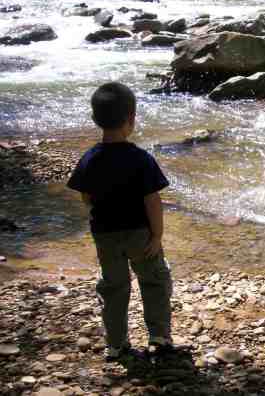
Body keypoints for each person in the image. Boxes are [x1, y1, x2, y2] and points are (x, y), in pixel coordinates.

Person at [67, 82, 173, 361]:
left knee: (113, 287)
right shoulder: (141, 159)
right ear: (131, 119)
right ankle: (159, 337)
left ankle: (116, 343)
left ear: (94, 119)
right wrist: (158, 236)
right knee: (154, 282)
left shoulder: (89, 158)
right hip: (140, 234)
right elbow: (152, 201)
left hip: (105, 235)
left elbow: (86, 197)